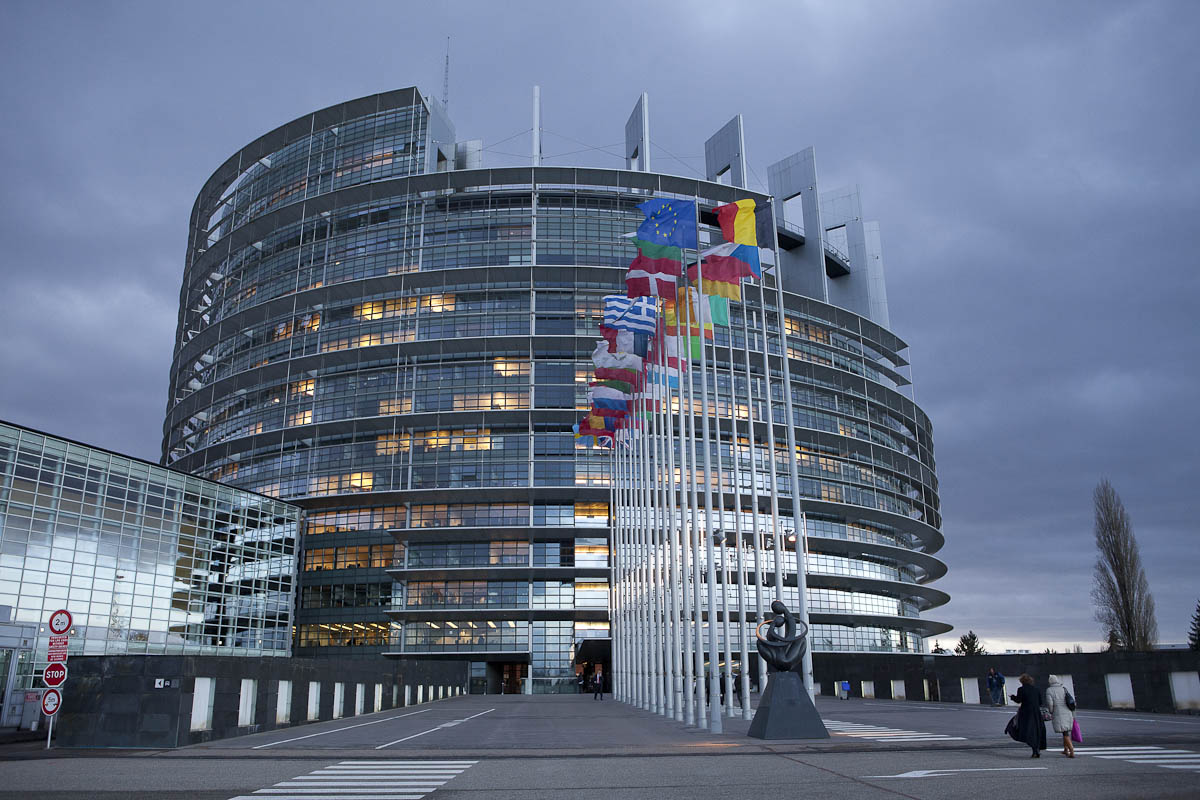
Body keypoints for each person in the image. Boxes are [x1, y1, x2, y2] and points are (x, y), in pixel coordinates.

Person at [1010, 673, 1048, 757]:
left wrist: (1012, 697)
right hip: (1036, 713)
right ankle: (1036, 749)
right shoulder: (1036, 689)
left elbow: (1019, 700)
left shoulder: (1021, 689)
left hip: (1026, 713)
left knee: (1026, 730)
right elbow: (1040, 702)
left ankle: (1034, 748)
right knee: (1036, 730)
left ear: (1022, 681)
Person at [1044, 675, 1075, 757]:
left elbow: (1050, 704)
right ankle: (1065, 749)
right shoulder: (1064, 689)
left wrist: (1051, 711)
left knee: (1065, 733)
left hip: (1058, 712)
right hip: (1068, 711)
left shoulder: (1049, 690)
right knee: (1065, 731)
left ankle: (1071, 750)